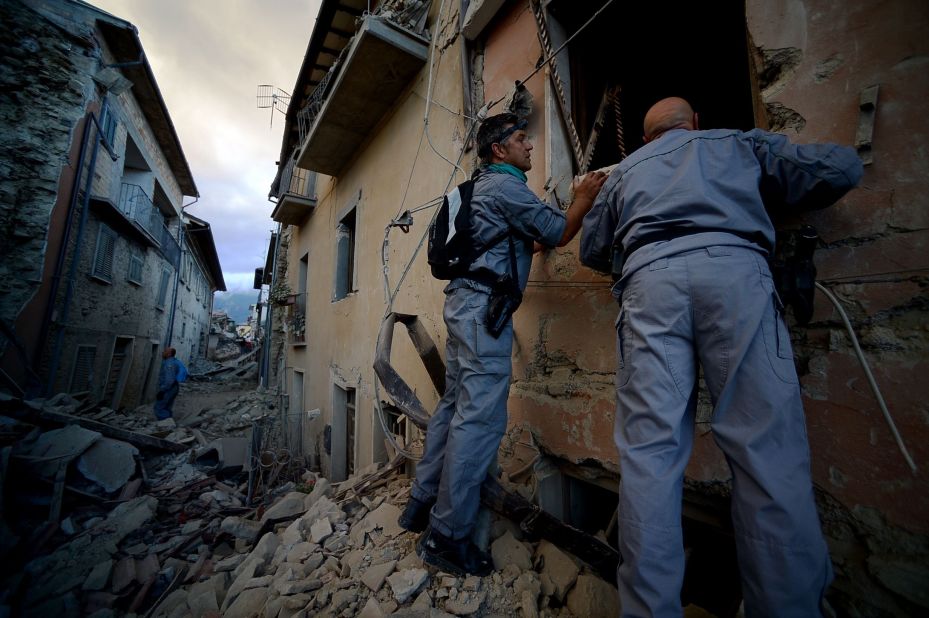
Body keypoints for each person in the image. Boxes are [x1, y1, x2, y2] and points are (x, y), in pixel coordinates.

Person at [579, 97, 863, 616]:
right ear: (695, 124)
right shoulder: (736, 143)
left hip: (649, 288)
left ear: (647, 140)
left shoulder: (626, 172)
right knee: (766, 454)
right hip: (736, 276)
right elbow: (840, 170)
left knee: (649, 458)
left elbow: (592, 249)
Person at [399, 112, 607, 576]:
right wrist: (582, 198)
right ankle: (446, 537)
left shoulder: (478, 191)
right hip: (483, 313)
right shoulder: (507, 186)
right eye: (520, 139)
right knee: (481, 422)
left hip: (463, 305)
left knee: (454, 407)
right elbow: (558, 231)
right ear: (499, 150)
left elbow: (501, 242)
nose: (529, 147)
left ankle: (420, 504)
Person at [154, 347, 186, 420]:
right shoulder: (173, 361)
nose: (163, 352)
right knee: (167, 406)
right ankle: (168, 422)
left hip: (169, 388)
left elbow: (169, 380)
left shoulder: (169, 363)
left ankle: (166, 424)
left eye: (165, 351)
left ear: (169, 354)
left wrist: (162, 390)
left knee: (159, 407)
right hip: (173, 387)